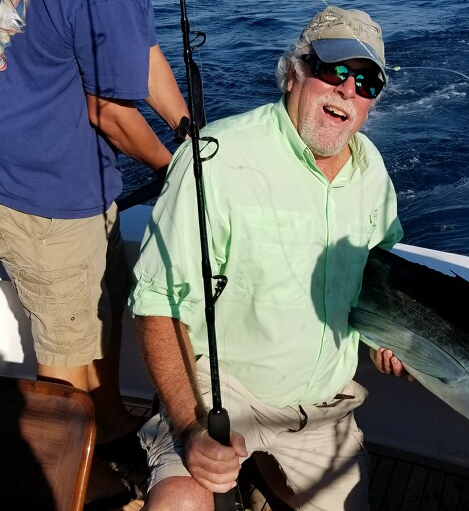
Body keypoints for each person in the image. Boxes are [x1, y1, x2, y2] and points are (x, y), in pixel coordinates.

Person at [129, 6, 404, 510]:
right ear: (296, 70)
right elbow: (158, 303)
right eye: (335, 70)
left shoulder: (372, 172)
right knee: (179, 503)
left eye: (366, 83)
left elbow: (380, 280)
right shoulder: (215, 158)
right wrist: (192, 426)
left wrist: (391, 340)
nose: (348, 90)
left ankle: (262, 480)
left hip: (322, 405)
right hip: (221, 390)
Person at [0, 0, 188, 507]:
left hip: (68, 179)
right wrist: (180, 173)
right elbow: (108, 113)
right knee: (65, 344)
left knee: (105, 306)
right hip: (46, 197)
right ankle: (73, 484)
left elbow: (142, 49)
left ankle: (105, 422)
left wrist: (188, 132)